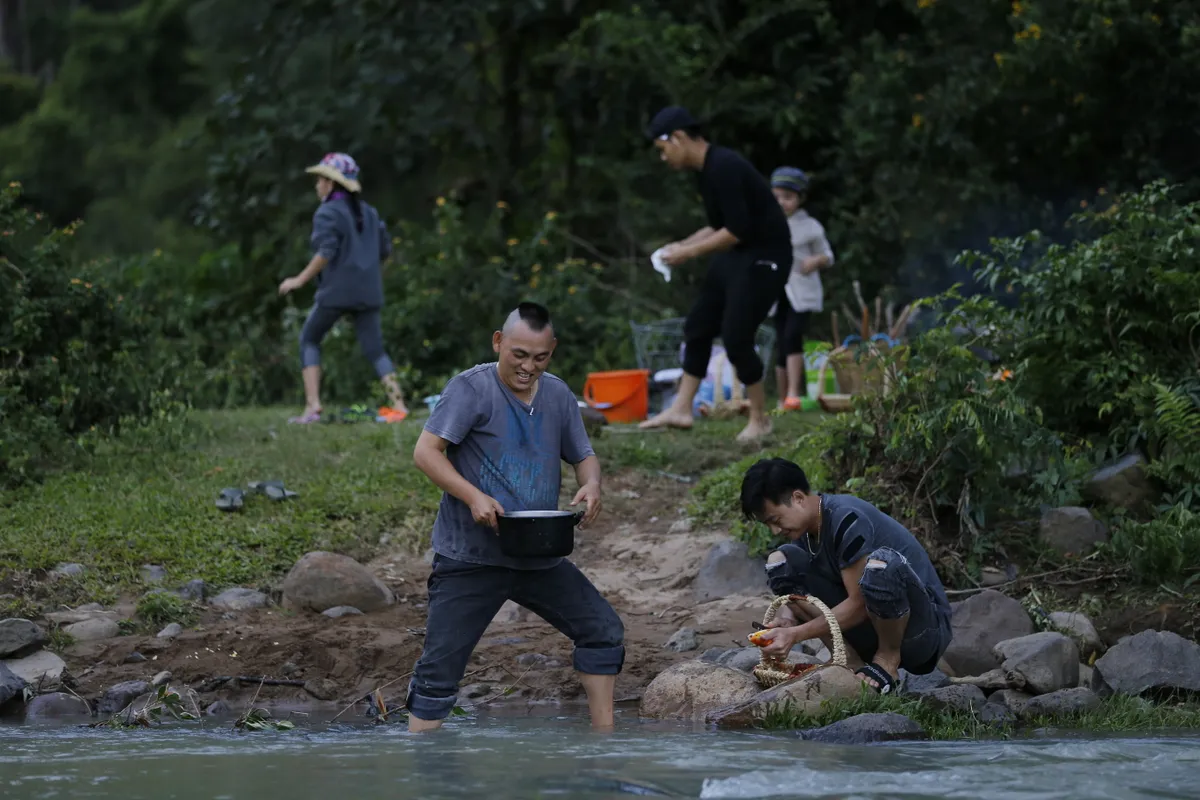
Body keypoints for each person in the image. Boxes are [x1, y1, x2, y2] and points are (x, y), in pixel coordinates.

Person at [405, 302, 625, 732]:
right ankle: (423, 766)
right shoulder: (470, 389)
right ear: (498, 342)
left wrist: (592, 484)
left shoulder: (558, 394)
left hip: (539, 553)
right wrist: (473, 496)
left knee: (602, 629)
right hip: (470, 558)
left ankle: (605, 739)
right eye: (519, 355)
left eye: (540, 357)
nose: (528, 366)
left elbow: (584, 455)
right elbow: (425, 452)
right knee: (439, 671)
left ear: (553, 350)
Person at [638, 106, 792, 442]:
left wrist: (689, 252)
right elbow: (716, 225)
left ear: (677, 138)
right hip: (739, 253)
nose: (663, 159)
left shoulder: (725, 166)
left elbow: (736, 230)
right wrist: (680, 244)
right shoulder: (706, 171)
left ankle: (760, 418)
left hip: (766, 254)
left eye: (663, 151)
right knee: (698, 325)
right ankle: (680, 409)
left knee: (736, 336)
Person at [739, 458, 952, 694]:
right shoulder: (805, 531)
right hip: (872, 628)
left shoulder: (846, 518)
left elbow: (859, 603)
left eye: (775, 520)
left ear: (798, 498)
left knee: (881, 566)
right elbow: (802, 590)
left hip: (920, 636)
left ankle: (887, 662)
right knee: (780, 561)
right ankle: (848, 659)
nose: (775, 531)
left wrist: (795, 634)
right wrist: (788, 619)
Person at [278, 152, 409, 424]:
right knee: (376, 350)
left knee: (310, 339)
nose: (317, 185)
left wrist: (298, 280)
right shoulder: (370, 213)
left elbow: (326, 252)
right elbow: (384, 250)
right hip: (369, 291)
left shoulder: (327, 212)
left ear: (330, 183)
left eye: (320, 180)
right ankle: (399, 404)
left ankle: (313, 406)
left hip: (337, 291)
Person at [769, 167, 835, 411]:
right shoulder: (767, 222)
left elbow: (828, 255)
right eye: (777, 197)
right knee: (780, 340)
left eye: (788, 197)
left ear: (800, 199)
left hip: (801, 291)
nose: (782, 203)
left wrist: (815, 261)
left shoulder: (810, 227)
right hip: (777, 291)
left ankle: (794, 393)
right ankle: (781, 396)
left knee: (792, 336)